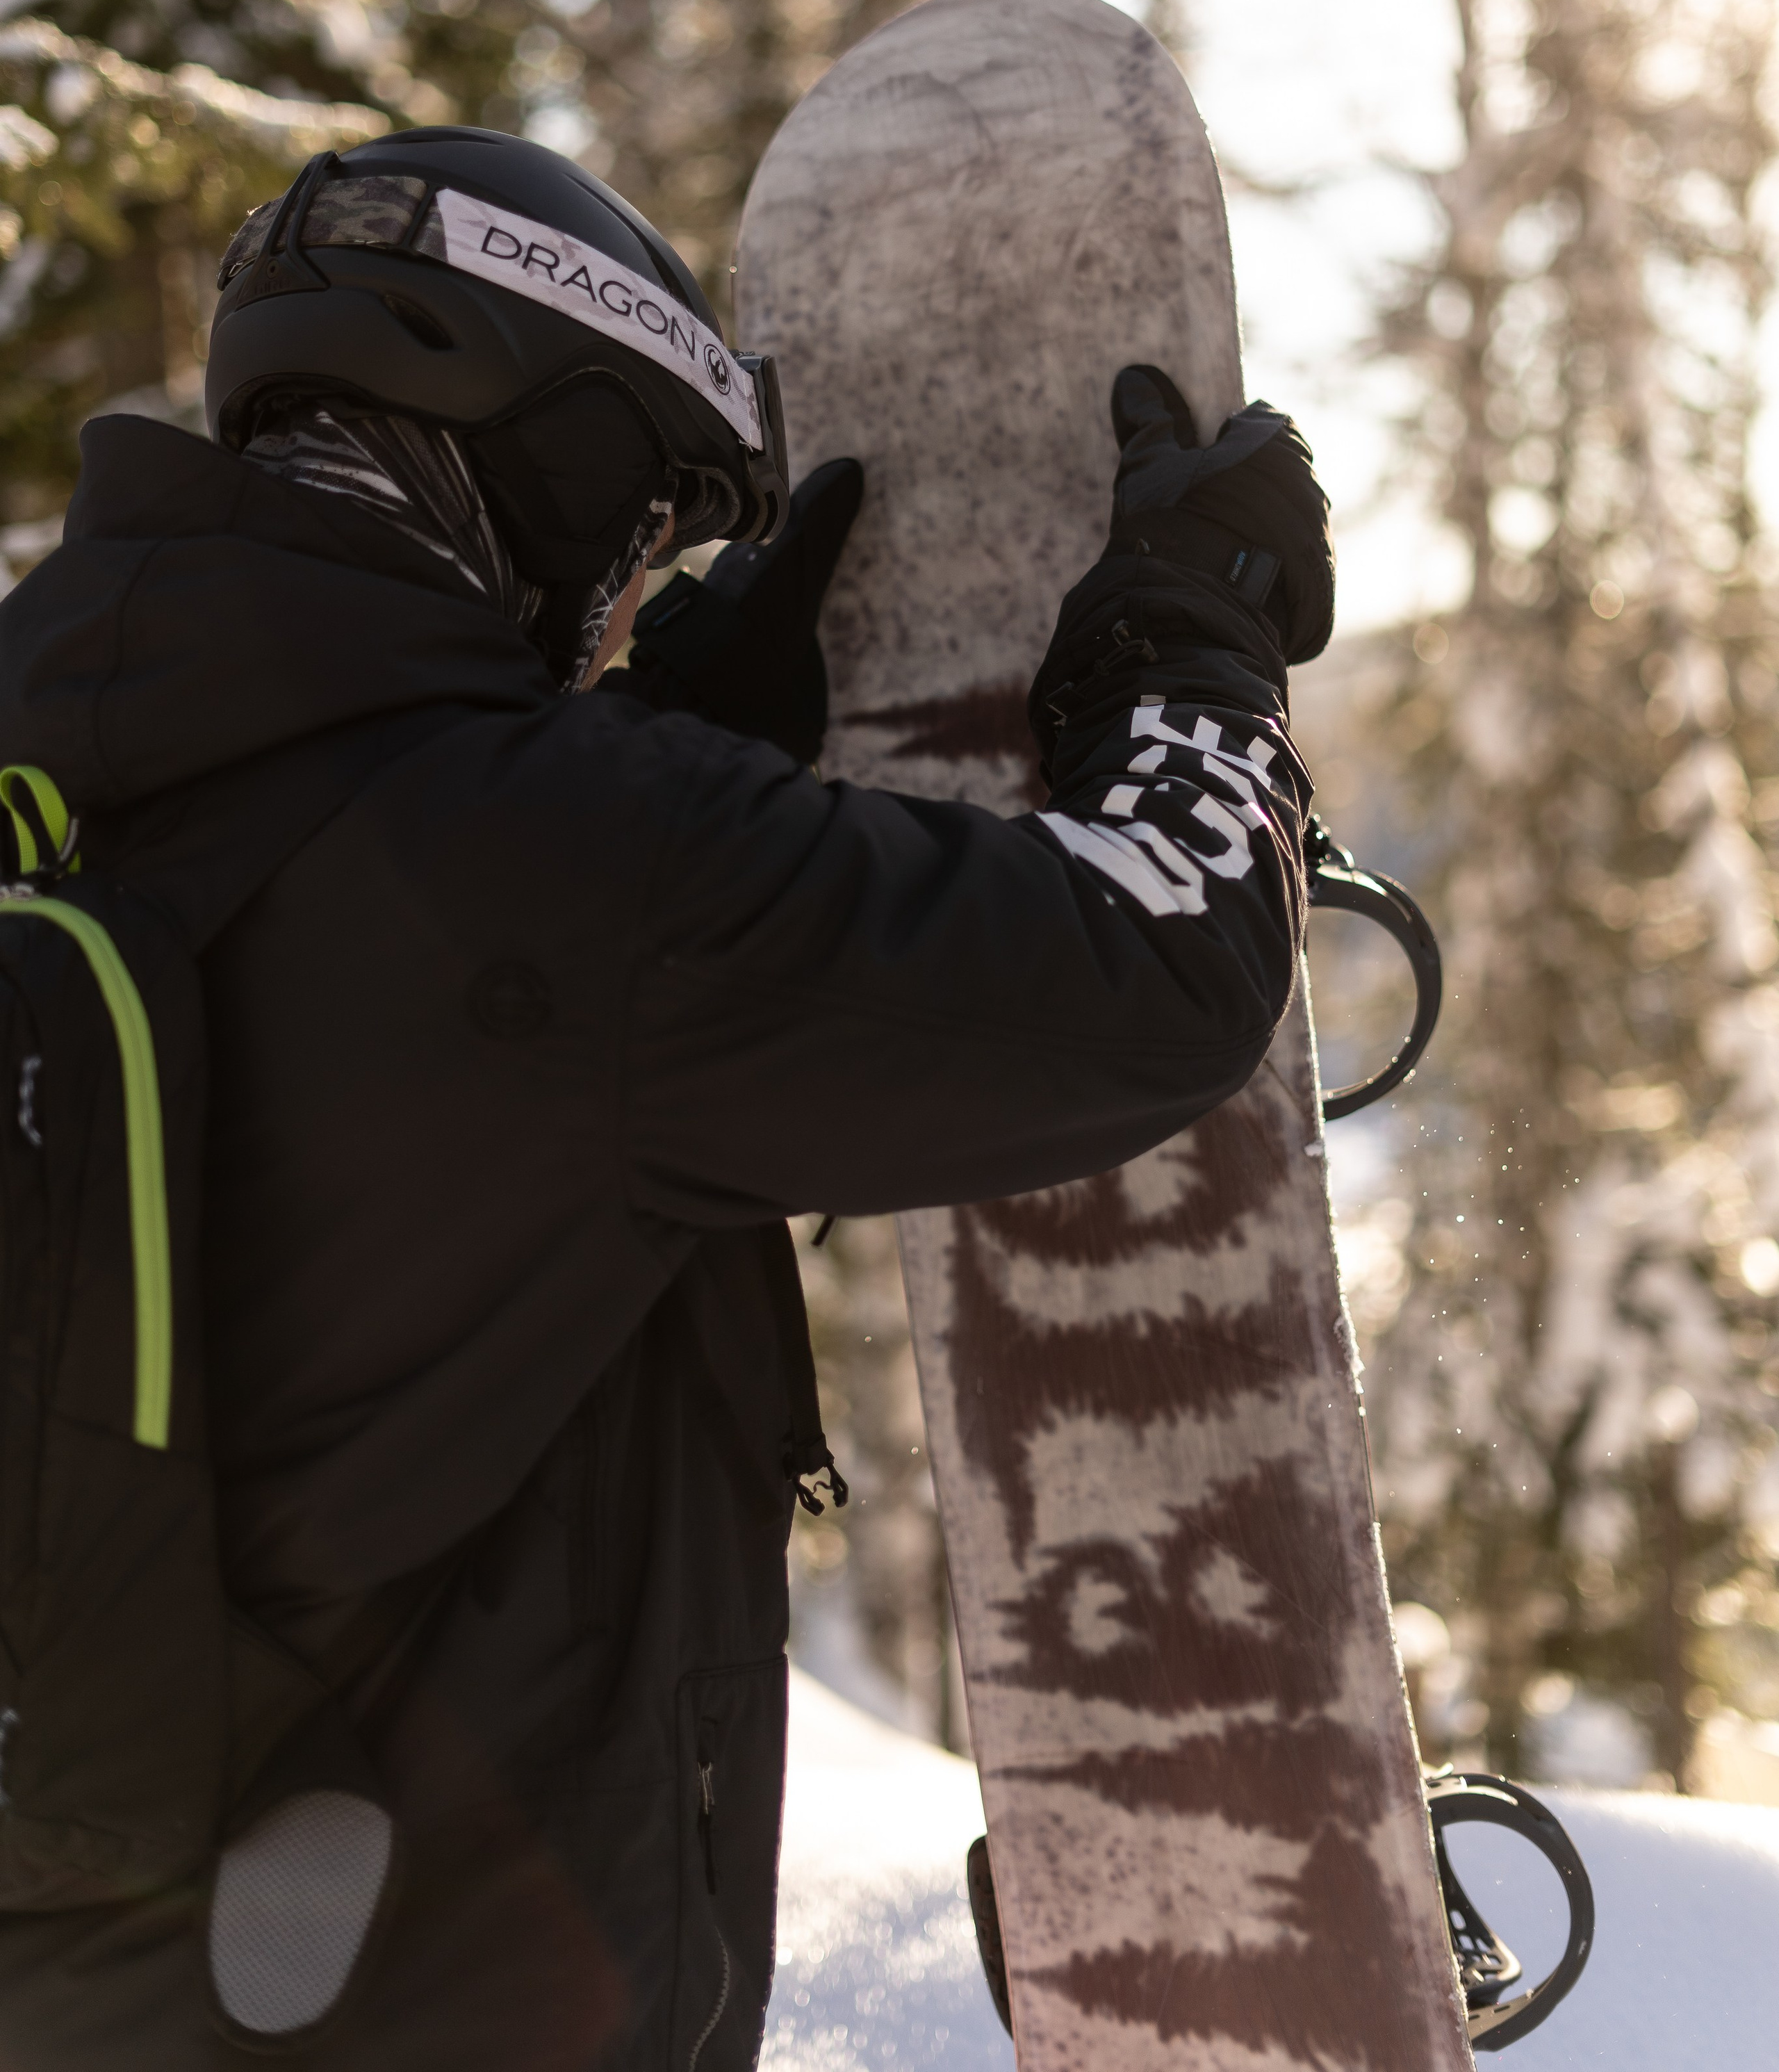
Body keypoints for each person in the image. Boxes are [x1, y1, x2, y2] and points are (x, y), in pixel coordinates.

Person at [0, 129, 1332, 2071]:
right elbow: (1151, 970)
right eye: (638, 527)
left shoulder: (83, 777)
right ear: (540, 458)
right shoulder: (575, 870)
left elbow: (397, 1095)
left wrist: (669, 756)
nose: (630, 594)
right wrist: (1192, 657)